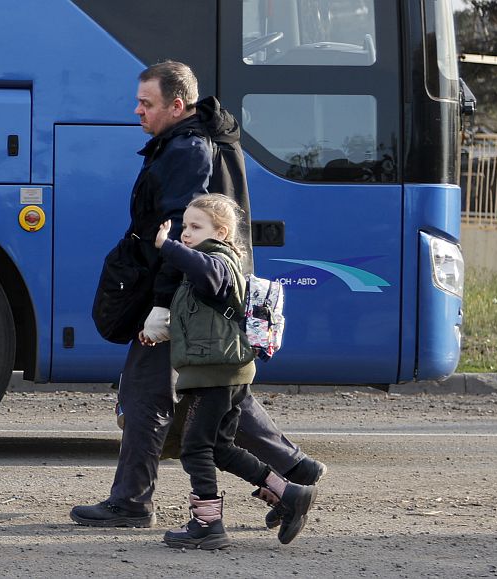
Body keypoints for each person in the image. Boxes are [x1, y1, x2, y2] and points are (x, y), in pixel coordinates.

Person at [71, 61, 325, 529]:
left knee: (148, 394)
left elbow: (178, 236)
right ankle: (295, 470)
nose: (137, 111)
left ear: (177, 105)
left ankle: (132, 502)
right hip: (201, 295)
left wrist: (162, 306)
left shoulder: (188, 151)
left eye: (146, 103)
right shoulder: (195, 140)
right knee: (218, 388)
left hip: (188, 296)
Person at [151, 194, 316, 548]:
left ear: (222, 232)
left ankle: (208, 524)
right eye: (184, 227)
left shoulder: (218, 261)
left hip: (217, 375)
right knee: (221, 448)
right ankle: (288, 494)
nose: (186, 233)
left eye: (196, 227)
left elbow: (207, 273)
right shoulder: (205, 264)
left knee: (195, 448)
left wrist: (166, 245)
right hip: (219, 372)